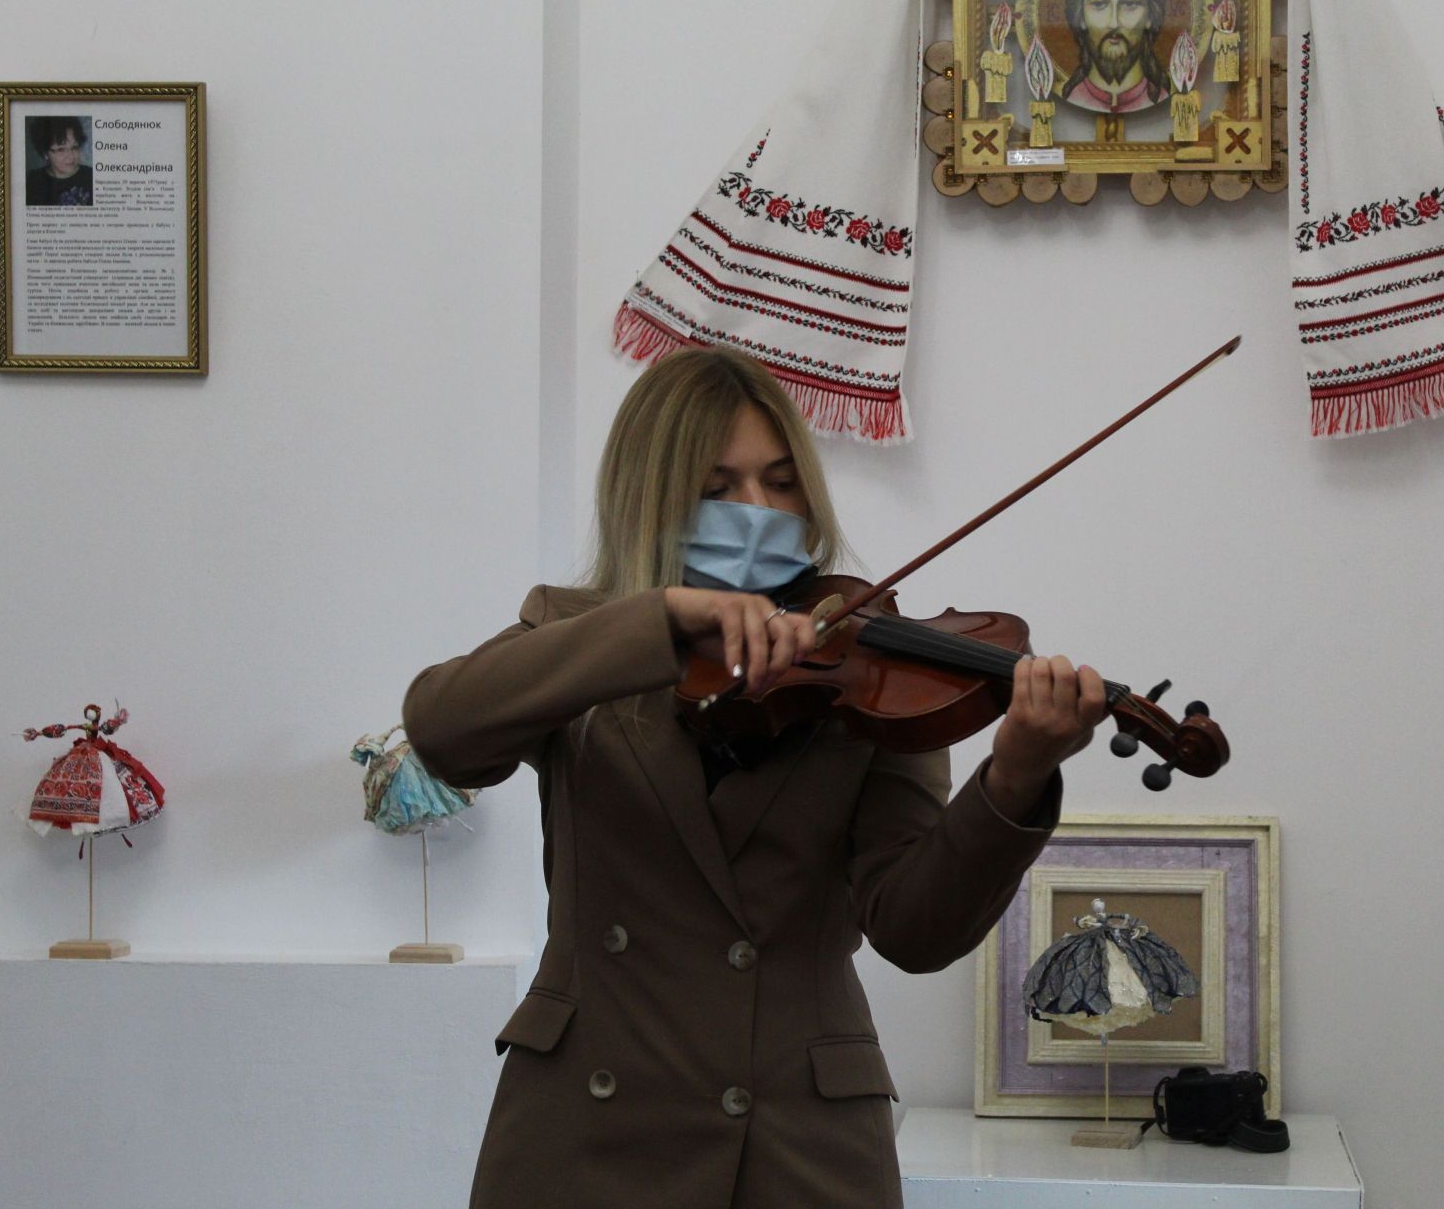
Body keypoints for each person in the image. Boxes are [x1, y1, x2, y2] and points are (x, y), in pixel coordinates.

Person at [403, 347, 1109, 1209]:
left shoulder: (872, 663)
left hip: (794, 1144)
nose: (760, 511)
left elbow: (914, 930)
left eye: (781, 483)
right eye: (717, 488)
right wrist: (660, 623)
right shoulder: (578, 635)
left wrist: (1016, 776)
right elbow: (442, 728)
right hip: (587, 1136)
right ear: (650, 496)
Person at [1060, 0, 1172, 114]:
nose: (1114, 23)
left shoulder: (1164, 100)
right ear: (1080, 17)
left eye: (1130, 4)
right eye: (1099, 4)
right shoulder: (1069, 102)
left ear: (1150, 16)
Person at [25, 116, 94, 206]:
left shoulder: (91, 176)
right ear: (45, 153)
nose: (71, 156)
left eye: (74, 147)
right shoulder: (34, 180)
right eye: (61, 149)